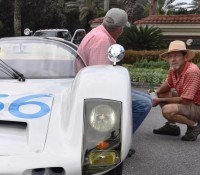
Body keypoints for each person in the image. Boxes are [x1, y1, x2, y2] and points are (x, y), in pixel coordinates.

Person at [77, 8, 152, 156]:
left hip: (91, 84)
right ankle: (113, 142)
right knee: (144, 104)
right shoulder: (102, 41)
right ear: (119, 29)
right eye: (123, 28)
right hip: (93, 90)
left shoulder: (98, 33)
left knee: (147, 98)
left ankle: (119, 136)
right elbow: (99, 79)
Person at [152, 40, 200, 141]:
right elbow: (167, 85)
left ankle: (194, 126)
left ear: (185, 57)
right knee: (162, 93)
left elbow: (185, 100)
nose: (173, 59)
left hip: (196, 105)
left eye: (176, 56)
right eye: (170, 56)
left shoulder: (191, 71)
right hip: (189, 103)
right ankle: (172, 127)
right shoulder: (173, 69)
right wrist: (155, 92)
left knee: (167, 110)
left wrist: (159, 101)